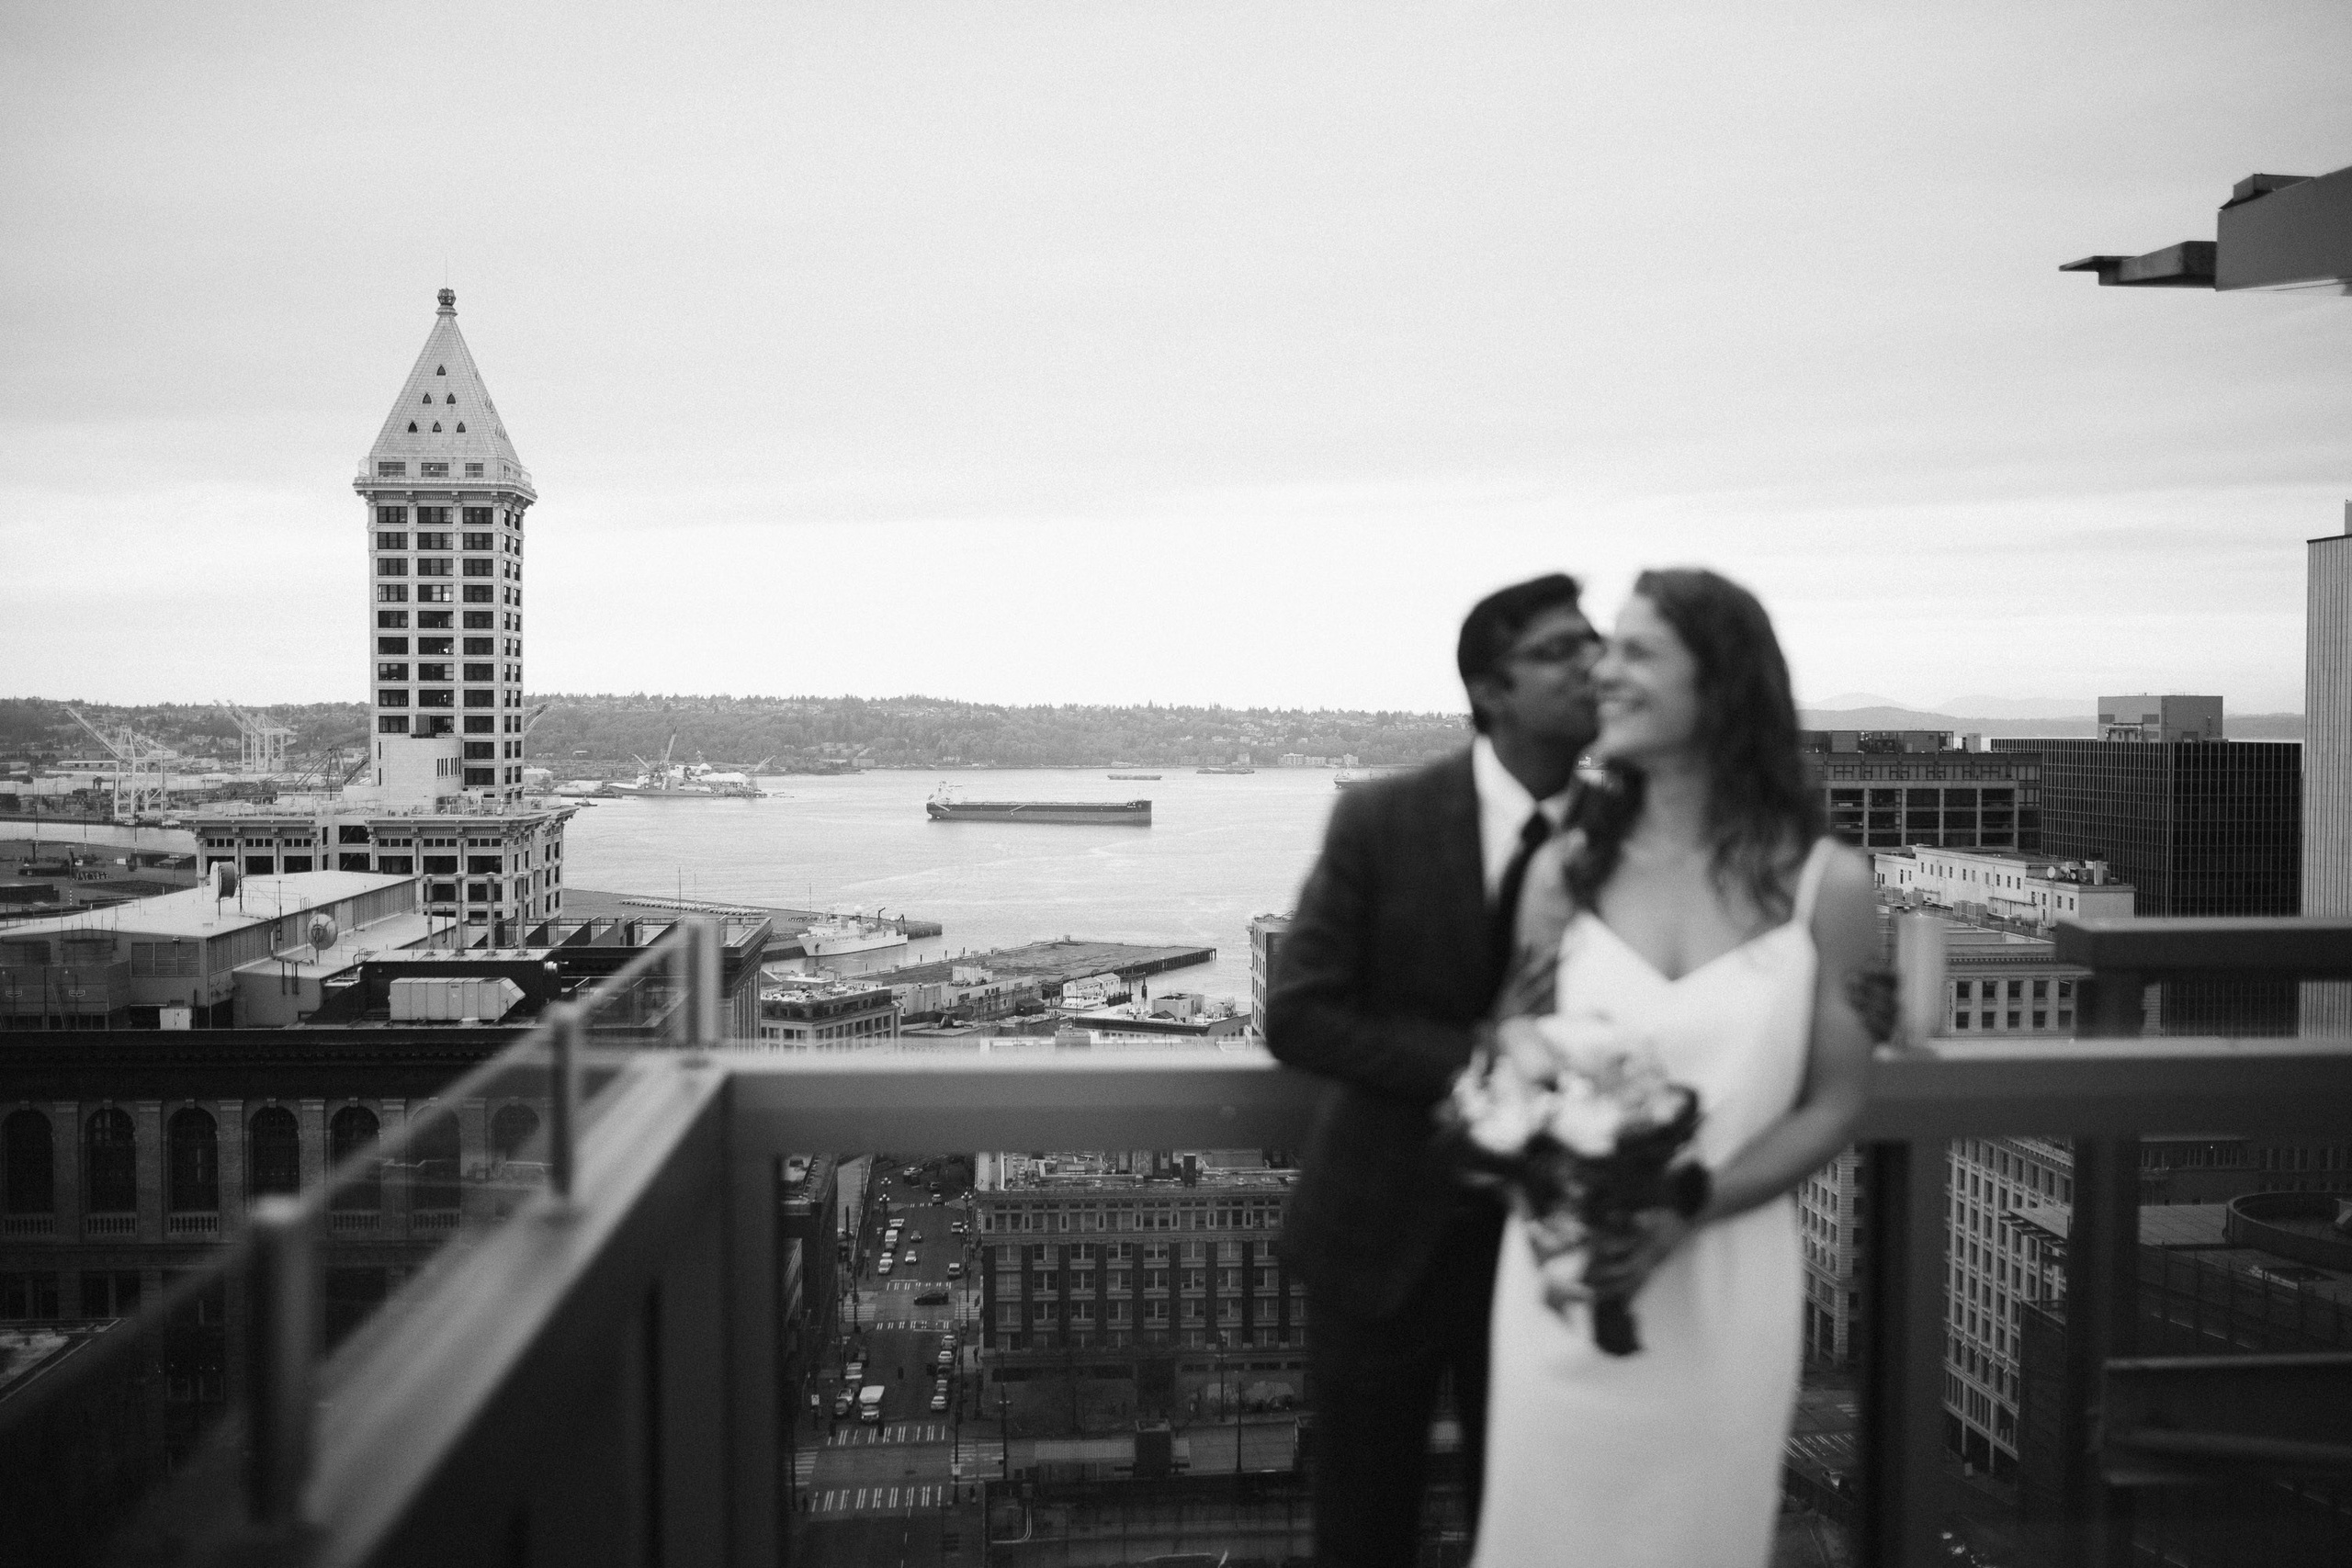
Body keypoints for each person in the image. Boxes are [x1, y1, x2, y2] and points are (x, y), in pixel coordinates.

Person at [1471, 569, 1879, 1568]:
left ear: (1722, 686)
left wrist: (1685, 1203)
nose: (1605, 673)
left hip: (1722, 1284)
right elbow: (1508, 1055)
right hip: (1566, 1287)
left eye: (1638, 651)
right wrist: (1535, 1145)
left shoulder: (1831, 887)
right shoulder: (1563, 870)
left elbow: (1834, 1105)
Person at [1267, 571, 1604, 1568]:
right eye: (1557, 650)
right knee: (1364, 1531)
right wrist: (1483, 1062)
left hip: (1546, 1251)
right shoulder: (1383, 821)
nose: (1590, 664)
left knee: (1533, 1533)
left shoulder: (1629, 834)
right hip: (1379, 1242)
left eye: (1595, 643)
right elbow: (1299, 1013)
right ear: (1490, 688)